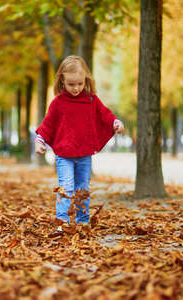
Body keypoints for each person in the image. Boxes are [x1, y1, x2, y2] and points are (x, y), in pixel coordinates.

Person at [34, 55, 124, 236]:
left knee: (83, 189)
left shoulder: (91, 100)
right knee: (65, 187)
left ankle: (83, 221)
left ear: (86, 81)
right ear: (62, 81)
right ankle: (62, 222)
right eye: (71, 84)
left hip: (84, 154)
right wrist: (39, 141)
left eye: (80, 84)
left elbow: (105, 114)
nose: (76, 88)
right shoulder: (58, 103)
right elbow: (48, 125)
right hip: (64, 155)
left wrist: (115, 122)